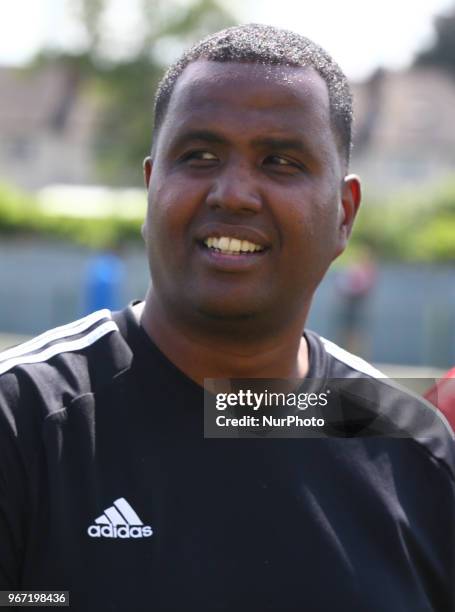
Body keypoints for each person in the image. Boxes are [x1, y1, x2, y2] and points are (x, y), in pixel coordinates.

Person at [0, 24, 454, 612]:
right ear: (151, 186)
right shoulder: (22, 422)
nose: (234, 193)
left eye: (281, 161)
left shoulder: (412, 445)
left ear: (344, 214)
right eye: (199, 155)